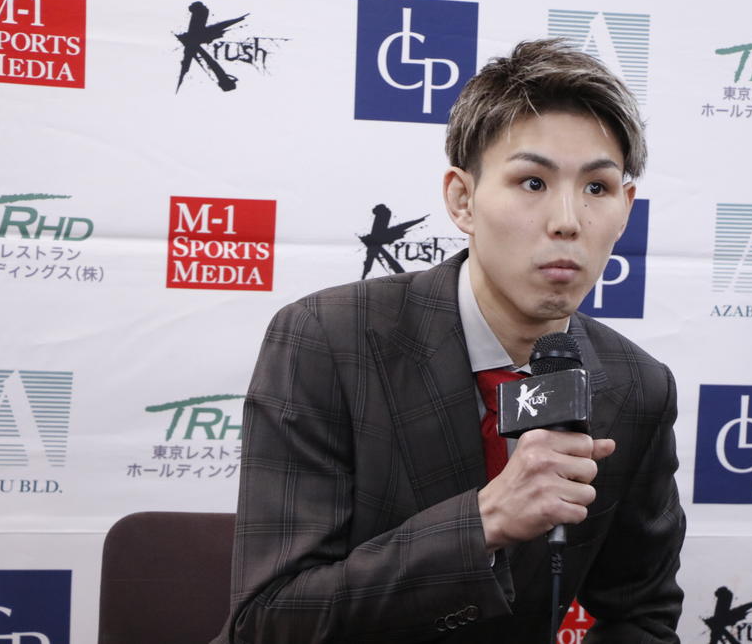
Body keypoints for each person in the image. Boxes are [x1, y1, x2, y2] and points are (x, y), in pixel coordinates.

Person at [213, 38, 685, 644]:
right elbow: (267, 620)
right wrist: (483, 523)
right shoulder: (326, 339)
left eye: (597, 188)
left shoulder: (638, 385)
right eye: (532, 182)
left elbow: (642, 616)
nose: (567, 220)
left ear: (625, 208)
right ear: (463, 200)